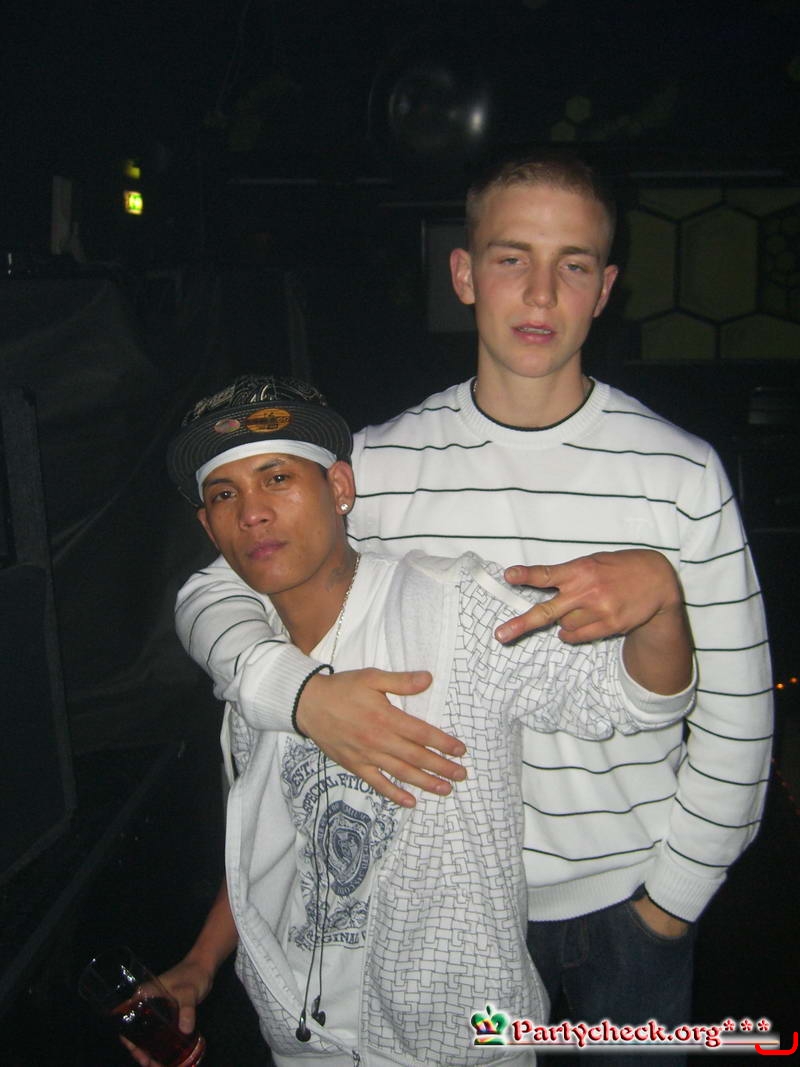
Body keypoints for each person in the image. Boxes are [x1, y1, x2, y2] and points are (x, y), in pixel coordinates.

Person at [173, 152, 773, 1059]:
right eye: (510, 258)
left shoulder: (680, 474)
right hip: (434, 912)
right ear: (463, 273)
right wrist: (296, 696)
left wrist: (671, 900)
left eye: (573, 263)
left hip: (628, 901)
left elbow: (739, 711)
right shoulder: (380, 464)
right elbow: (217, 583)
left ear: (605, 290)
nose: (541, 292)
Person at [133, 374, 694, 1067]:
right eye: (225, 494)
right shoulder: (251, 663)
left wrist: (662, 601)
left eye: (277, 477)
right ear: (208, 526)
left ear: (340, 487)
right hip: (303, 1042)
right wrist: (201, 961)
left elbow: (634, 699)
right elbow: (276, 844)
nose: (252, 512)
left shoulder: (449, 608)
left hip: (455, 1047)